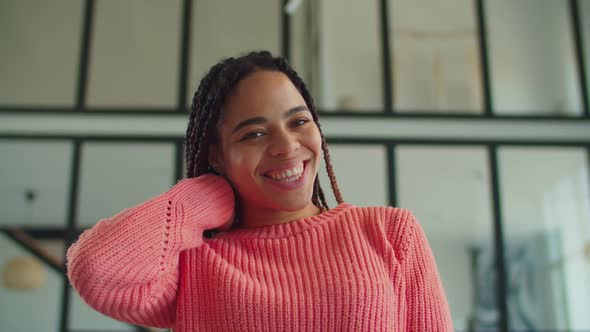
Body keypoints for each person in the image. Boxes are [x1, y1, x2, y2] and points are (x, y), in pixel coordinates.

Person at [66, 51, 453, 331]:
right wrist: (206, 195)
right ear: (217, 155)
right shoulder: (197, 262)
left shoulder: (388, 232)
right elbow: (97, 269)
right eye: (253, 133)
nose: (286, 146)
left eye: (299, 121)